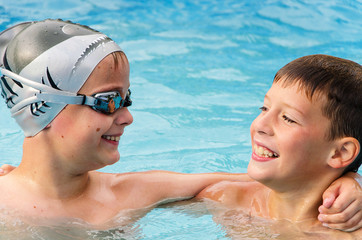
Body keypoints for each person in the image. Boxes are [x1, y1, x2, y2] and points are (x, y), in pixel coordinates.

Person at [0, 20, 360, 231]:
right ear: (42, 108)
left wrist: (347, 180)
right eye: (108, 101)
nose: (126, 116)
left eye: (127, 100)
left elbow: (288, 183)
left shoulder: (134, 193)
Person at [196, 54, 362, 238]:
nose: (260, 125)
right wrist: (354, 180)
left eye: (288, 119)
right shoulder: (229, 199)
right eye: (264, 108)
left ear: (341, 152)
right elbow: (158, 184)